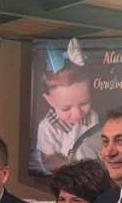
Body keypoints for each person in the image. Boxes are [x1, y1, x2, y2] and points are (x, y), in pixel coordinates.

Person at [34, 38, 101, 175]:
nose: (77, 114)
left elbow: (98, 146)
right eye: (65, 108)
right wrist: (71, 165)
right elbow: (48, 160)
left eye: (84, 103)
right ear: (50, 100)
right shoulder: (47, 127)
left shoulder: (93, 116)